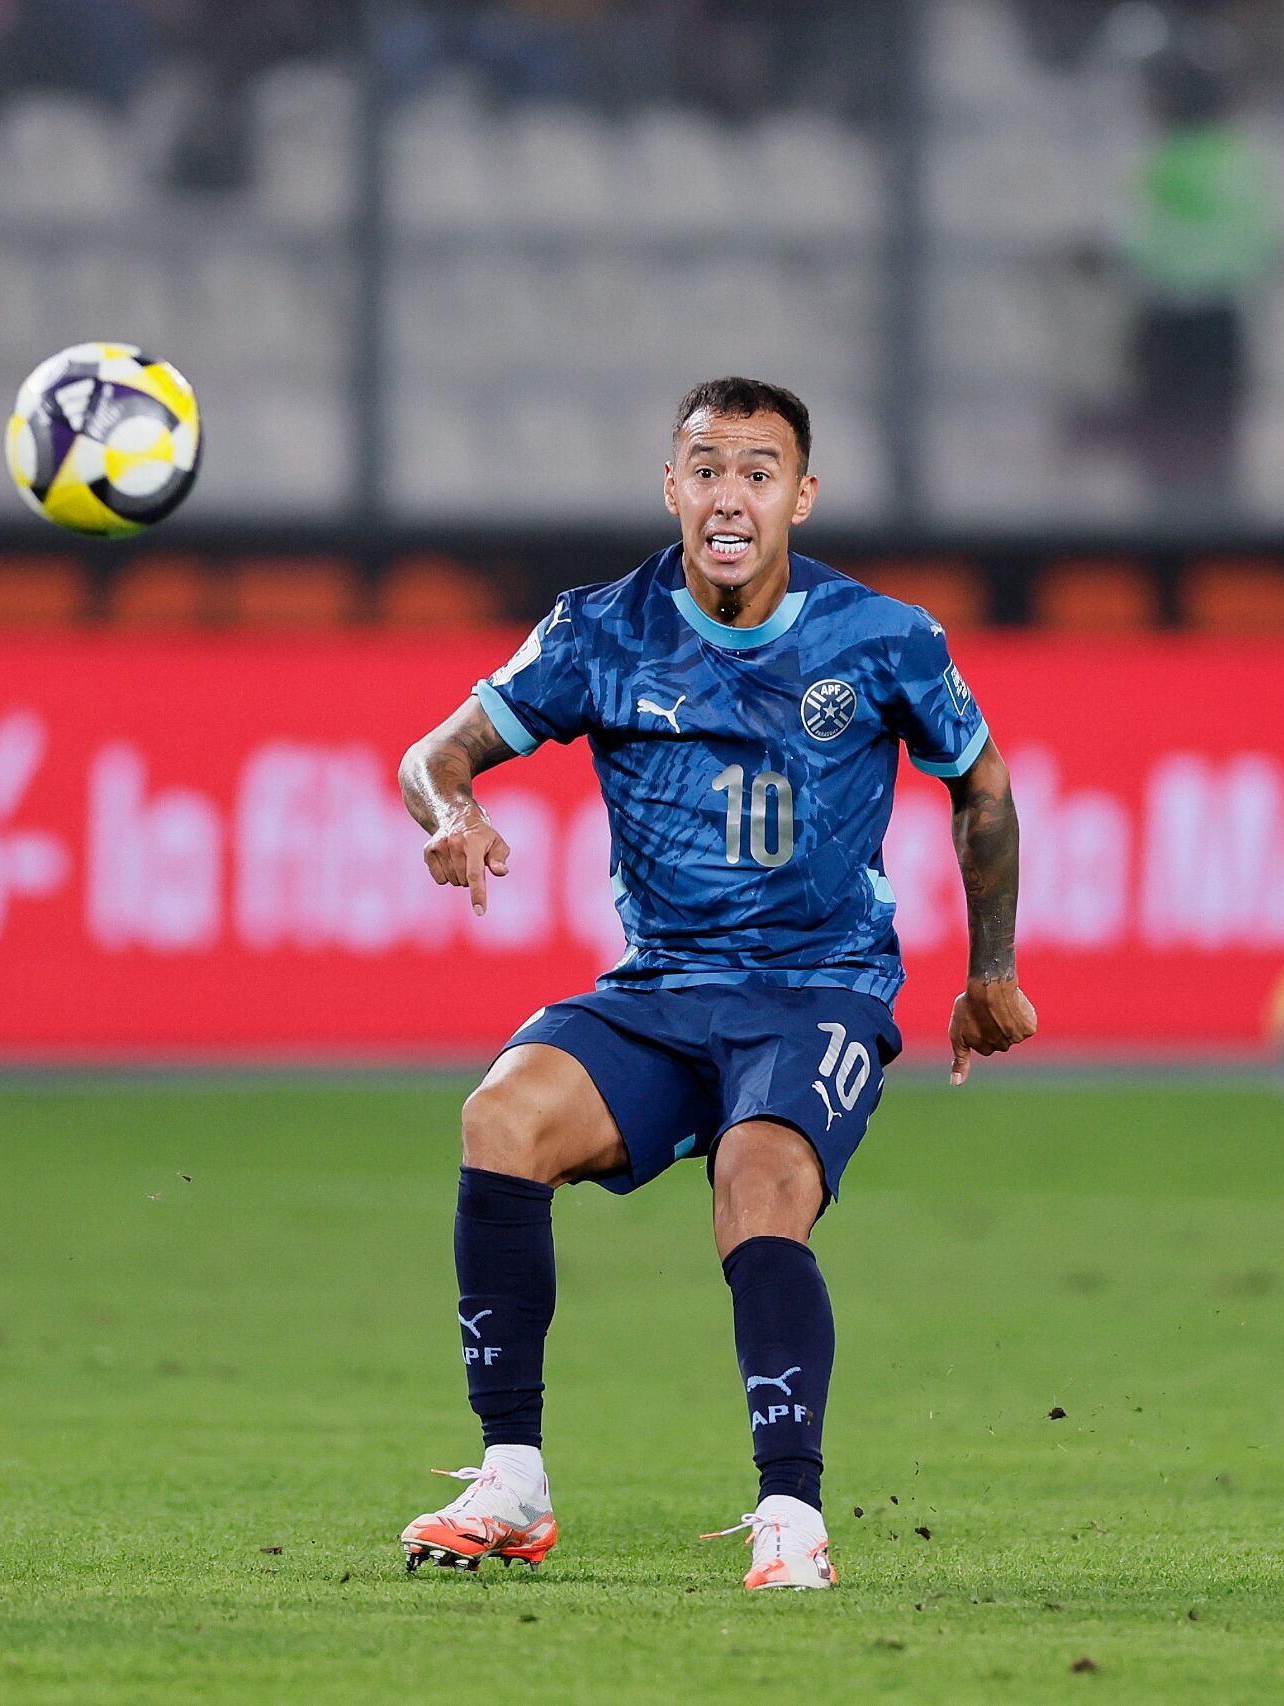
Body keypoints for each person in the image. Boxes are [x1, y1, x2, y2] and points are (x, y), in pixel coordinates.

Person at [394, 377, 1037, 1590]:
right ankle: (510, 1478)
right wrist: (453, 811)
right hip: (662, 989)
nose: (727, 492)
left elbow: (983, 782)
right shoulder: (600, 629)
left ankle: (791, 1515)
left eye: (755, 469)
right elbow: (431, 755)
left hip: (819, 988)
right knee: (501, 1116)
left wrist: (988, 969)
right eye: (704, 467)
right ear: (672, 488)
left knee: (755, 1180)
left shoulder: (884, 636)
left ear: (800, 493)